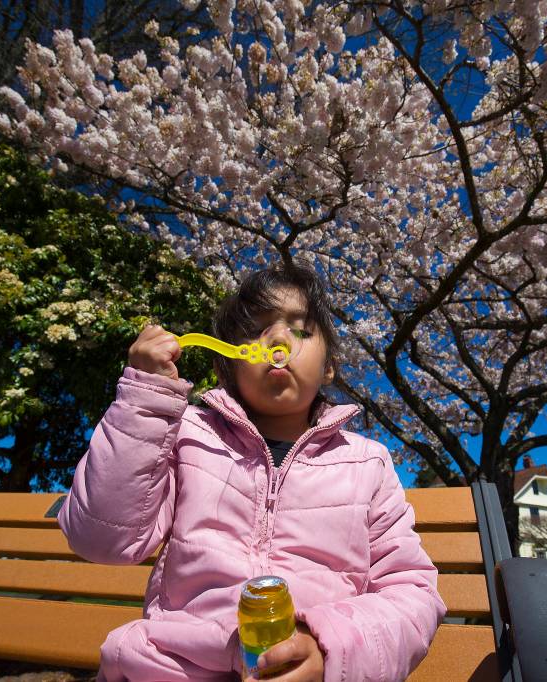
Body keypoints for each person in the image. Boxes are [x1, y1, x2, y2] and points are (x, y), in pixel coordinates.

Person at [58, 262, 445, 681]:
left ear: (329, 366)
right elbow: (101, 539)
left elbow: (411, 592)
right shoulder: (185, 435)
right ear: (230, 363)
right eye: (257, 329)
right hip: (172, 667)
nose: (278, 338)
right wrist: (144, 400)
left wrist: (333, 651)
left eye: (300, 329)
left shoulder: (367, 462)